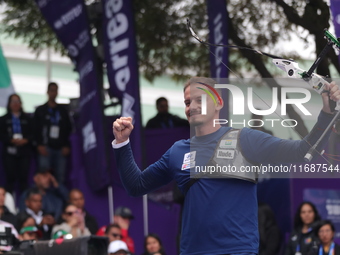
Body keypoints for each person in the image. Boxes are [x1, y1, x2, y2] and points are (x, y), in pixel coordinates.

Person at [112, 76, 340, 254]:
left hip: (238, 251)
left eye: (200, 99)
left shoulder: (246, 138)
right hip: (194, 252)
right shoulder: (177, 151)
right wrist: (122, 143)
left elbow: (302, 152)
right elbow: (136, 185)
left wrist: (327, 113)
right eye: (187, 102)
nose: (192, 106)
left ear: (218, 102)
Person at [33, 82, 72, 184]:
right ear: (47, 92)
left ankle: (57, 199)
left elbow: (68, 129)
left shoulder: (62, 111)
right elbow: (35, 130)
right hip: (45, 148)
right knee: (43, 176)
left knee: (60, 177)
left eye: (55, 90)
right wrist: (39, 145)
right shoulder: (40, 110)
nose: (53, 93)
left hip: (60, 148)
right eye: (51, 90)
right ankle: (44, 199)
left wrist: (66, 145)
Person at [0, 94, 33, 194]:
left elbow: (34, 133)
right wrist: (10, 140)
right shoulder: (3, 119)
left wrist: (26, 140)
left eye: (17, 101)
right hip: (9, 152)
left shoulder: (27, 119)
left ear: (21, 103)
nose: (15, 104)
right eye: (13, 101)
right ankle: (8, 206)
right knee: (10, 179)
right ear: (9, 104)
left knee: (24, 179)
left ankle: (24, 205)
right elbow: (1, 134)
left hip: (24, 151)